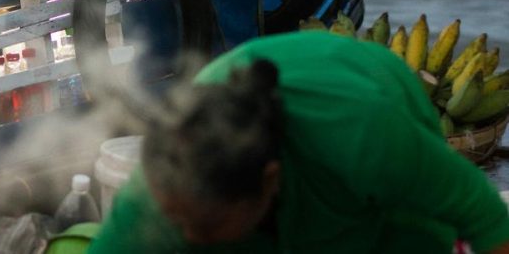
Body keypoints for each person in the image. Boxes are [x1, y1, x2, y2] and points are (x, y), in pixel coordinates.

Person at [90, 31, 509, 253]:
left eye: (206, 223)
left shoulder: (366, 138)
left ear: (268, 181)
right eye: (176, 217)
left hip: (368, 106)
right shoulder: (165, 187)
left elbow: (490, 223)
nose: (188, 237)